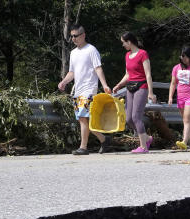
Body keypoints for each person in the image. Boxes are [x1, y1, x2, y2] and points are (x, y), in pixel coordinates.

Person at [57, 25, 111, 155]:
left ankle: (83, 147)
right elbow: (72, 72)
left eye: (75, 36)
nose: (73, 38)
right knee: (84, 119)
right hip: (78, 90)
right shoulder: (73, 53)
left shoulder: (91, 50)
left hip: (89, 89)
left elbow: (98, 68)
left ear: (83, 35)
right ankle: (104, 139)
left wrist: (104, 85)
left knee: (82, 117)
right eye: (71, 36)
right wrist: (64, 81)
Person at [111, 32, 156, 153]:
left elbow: (148, 74)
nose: (123, 45)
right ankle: (147, 138)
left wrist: (150, 92)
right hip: (130, 87)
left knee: (136, 117)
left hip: (142, 87)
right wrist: (119, 85)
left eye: (123, 42)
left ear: (129, 42)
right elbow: (127, 75)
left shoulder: (142, 54)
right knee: (129, 119)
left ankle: (143, 147)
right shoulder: (127, 55)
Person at [167, 46, 190, 149]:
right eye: (183, 56)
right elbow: (173, 83)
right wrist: (170, 97)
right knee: (188, 120)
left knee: (186, 120)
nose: (184, 59)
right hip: (180, 98)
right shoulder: (176, 68)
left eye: (186, 57)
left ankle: (184, 141)